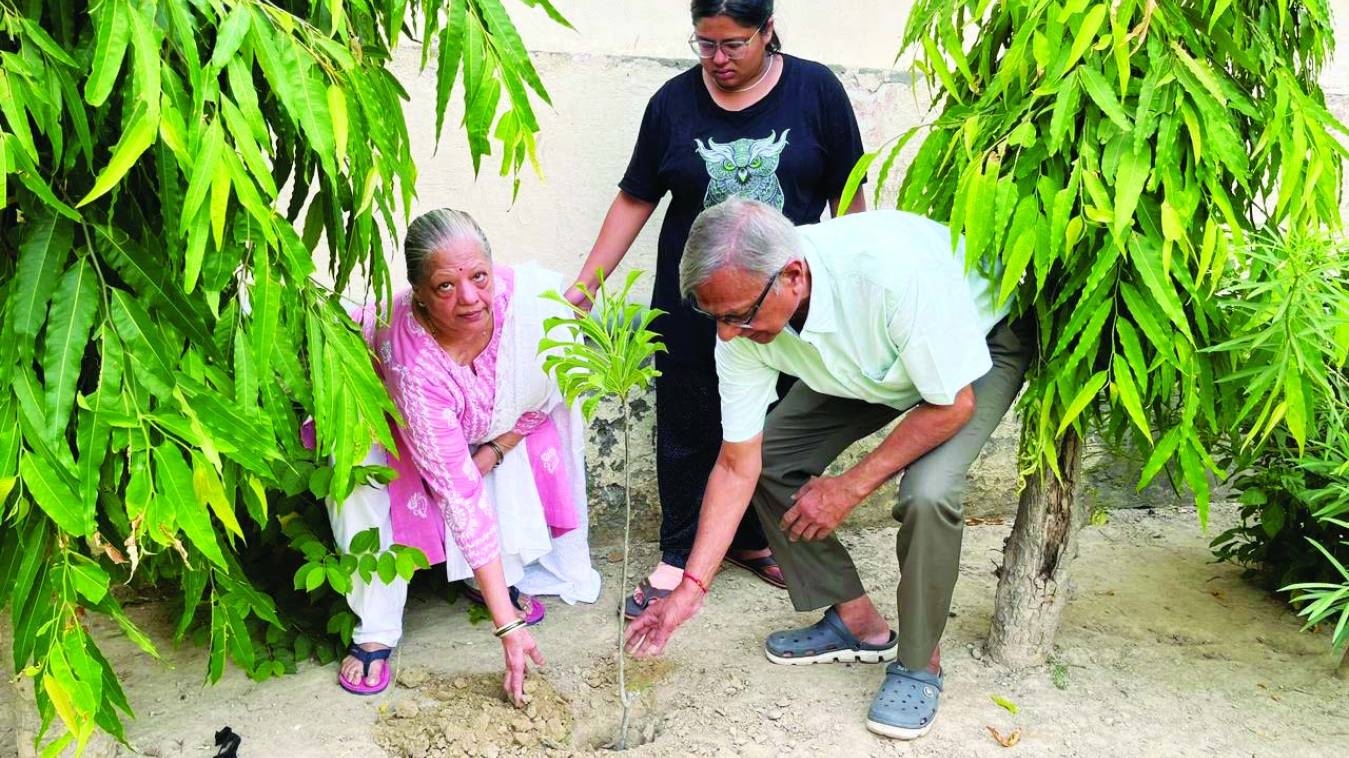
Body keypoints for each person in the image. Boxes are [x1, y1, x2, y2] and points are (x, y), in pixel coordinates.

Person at [623, 198, 1031, 740]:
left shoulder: (887, 274)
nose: (726, 334)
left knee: (928, 493)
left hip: (974, 348)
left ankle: (918, 662)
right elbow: (736, 464)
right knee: (773, 464)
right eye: (715, 317)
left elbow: (951, 405)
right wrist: (689, 590)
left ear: (793, 275)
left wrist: (849, 487)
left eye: (738, 315)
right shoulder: (744, 322)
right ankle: (859, 624)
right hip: (874, 363)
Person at [567, 0, 868, 618]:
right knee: (686, 424)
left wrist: (852, 281)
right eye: (704, 44)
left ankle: (754, 539)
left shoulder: (817, 93)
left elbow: (849, 192)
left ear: (768, 31)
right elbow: (636, 198)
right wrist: (587, 283)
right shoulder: (672, 104)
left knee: (775, 425)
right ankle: (677, 554)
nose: (718, 59)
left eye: (733, 44)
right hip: (692, 304)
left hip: (782, 304)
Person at [326, 209, 601, 703]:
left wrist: (497, 448)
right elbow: (459, 494)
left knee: (513, 444)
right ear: (420, 295)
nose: (471, 298)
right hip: (385, 416)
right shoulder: (413, 363)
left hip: (482, 421)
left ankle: (488, 579)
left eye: (479, 277)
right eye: (446, 286)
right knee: (359, 476)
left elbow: (549, 389)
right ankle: (377, 625)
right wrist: (508, 627)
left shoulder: (530, 309)